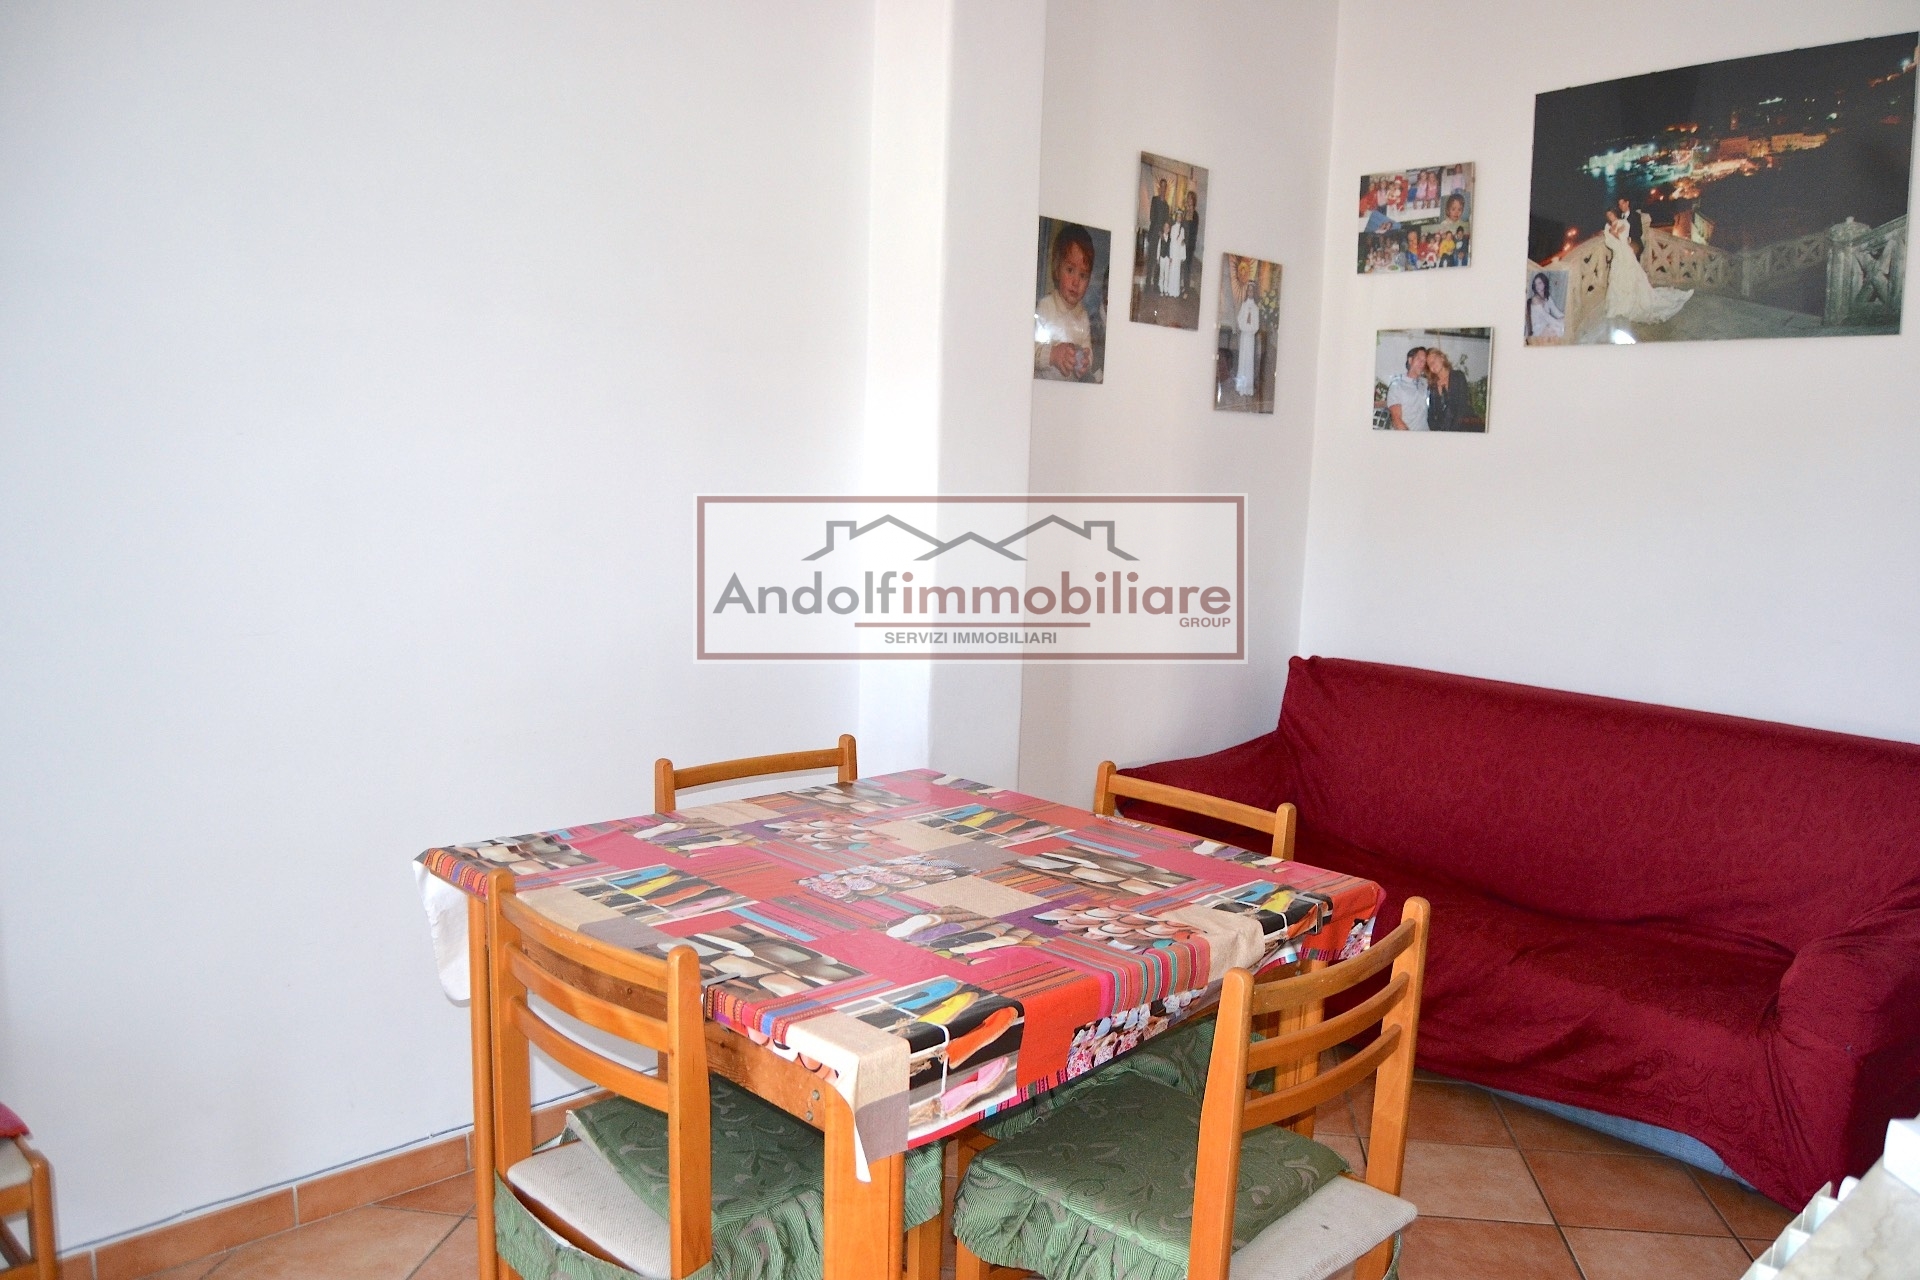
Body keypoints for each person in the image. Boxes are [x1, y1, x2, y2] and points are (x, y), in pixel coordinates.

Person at [1603, 207, 1690, 325]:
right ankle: (1618, 305)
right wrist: (1613, 234)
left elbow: (1622, 238)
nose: (1611, 217)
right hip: (1618, 256)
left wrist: (1614, 234)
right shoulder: (1608, 226)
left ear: (1615, 214)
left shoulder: (1624, 223)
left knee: (1630, 277)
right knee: (1617, 280)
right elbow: (1609, 242)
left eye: (1612, 214)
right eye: (1608, 215)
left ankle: (1630, 304)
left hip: (1626, 254)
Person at [1035, 223, 1097, 380]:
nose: (1076, 282)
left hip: (1069, 392)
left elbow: (1087, 350)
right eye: (1070, 270)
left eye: (1083, 275)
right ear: (1057, 269)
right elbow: (1030, 351)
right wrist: (1053, 354)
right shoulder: (1046, 306)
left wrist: (1086, 361)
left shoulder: (1083, 316)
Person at [1426, 349, 1473, 431]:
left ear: (1442, 358)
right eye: (1429, 364)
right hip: (1440, 431)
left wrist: (1452, 431)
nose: (1432, 364)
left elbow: (1462, 404)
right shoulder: (1433, 385)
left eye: (1434, 359)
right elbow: (1431, 412)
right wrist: (1435, 430)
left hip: (1460, 428)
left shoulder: (1458, 376)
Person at [1385, 347, 1429, 431]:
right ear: (1410, 360)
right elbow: (1396, 419)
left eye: (1424, 361)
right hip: (1406, 434)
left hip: (1426, 433)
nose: (1422, 363)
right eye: (1419, 359)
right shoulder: (1397, 385)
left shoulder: (1425, 382)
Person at [1234, 275, 1261, 397]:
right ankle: (1241, 387)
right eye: (1248, 290)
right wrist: (1245, 327)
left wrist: (1249, 328)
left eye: (1252, 291)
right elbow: (1240, 320)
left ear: (1254, 293)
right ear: (1247, 292)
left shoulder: (1255, 309)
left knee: (1249, 361)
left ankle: (1248, 387)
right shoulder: (1244, 306)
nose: (1250, 292)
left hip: (1250, 338)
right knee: (1242, 361)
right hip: (1244, 337)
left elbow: (1255, 326)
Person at [1146, 178, 1171, 293]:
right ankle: (1147, 284)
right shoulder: (1154, 200)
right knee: (1151, 259)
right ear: (1159, 187)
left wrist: (1163, 233)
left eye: (1165, 187)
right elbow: (1152, 217)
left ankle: (1156, 284)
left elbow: (1166, 221)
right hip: (1154, 235)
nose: (1163, 189)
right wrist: (1158, 231)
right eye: (1162, 186)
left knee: (1158, 261)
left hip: (1161, 238)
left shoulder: (1167, 206)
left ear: (1166, 189)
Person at [1526, 271, 1565, 340]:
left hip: (1547, 325)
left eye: (1539, 283)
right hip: (1539, 329)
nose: (1537, 286)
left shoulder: (1548, 297)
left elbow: (1557, 312)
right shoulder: (1535, 299)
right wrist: (1560, 324)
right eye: (1535, 284)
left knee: (1563, 323)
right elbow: (1546, 316)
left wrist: (1565, 318)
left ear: (1545, 283)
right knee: (1559, 328)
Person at [1179, 190, 1200, 297]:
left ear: (1193, 200)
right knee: (1182, 265)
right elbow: (1181, 227)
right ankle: (1183, 286)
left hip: (1189, 244)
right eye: (1188, 198)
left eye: (1190, 198)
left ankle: (1186, 290)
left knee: (1187, 266)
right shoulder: (1185, 212)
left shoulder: (1195, 215)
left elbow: (1193, 232)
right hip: (1182, 243)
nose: (1188, 200)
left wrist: (1187, 241)